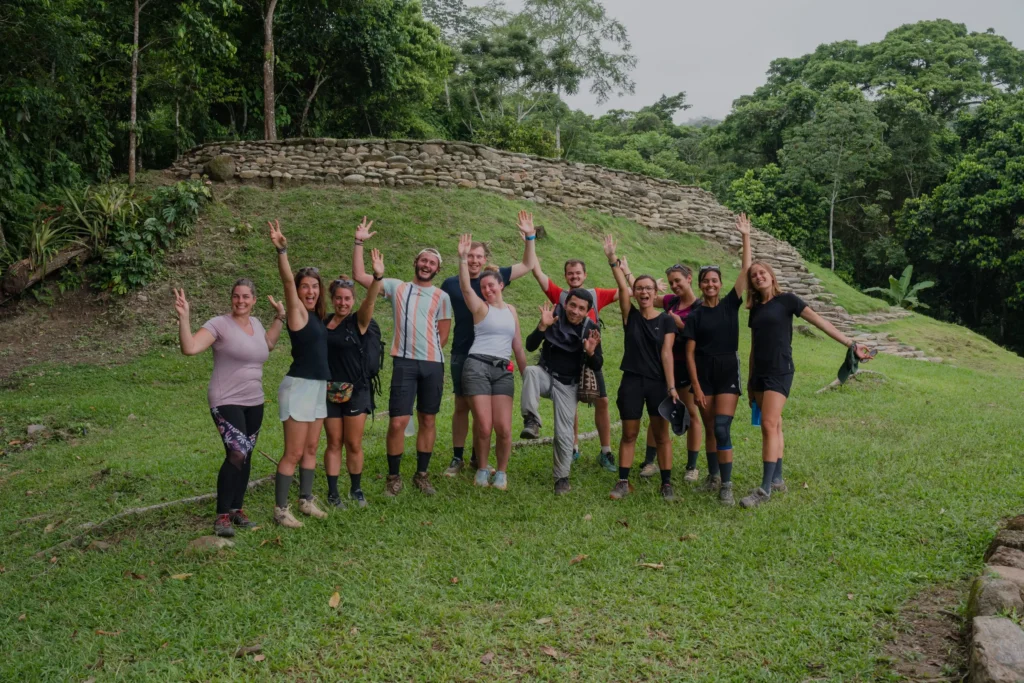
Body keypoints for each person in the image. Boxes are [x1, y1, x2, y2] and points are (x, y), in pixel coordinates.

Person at [741, 260, 871, 508]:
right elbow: (754, 347)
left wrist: (850, 343)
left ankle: (764, 489)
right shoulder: (755, 309)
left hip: (780, 371)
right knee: (775, 424)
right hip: (759, 374)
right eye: (754, 275)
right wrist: (749, 381)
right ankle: (777, 480)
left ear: (771, 275)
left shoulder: (788, 300)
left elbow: (819, 321)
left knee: (768, 425)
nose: (758, 277)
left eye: (762, 273)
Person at [174, 282, 285, 537]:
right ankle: (222, 515)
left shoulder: (256, 324)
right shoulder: (219, 324)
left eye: (246, 296)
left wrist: (280, 317)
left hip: (254, 400)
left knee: (246, 454)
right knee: (237, 452)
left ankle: (237, 509)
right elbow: (189, 348)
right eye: (236, 296)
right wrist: (184, 317)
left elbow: (267, 344)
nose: (240, 301)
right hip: (225, 399)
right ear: (231, 299)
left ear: (254, 300)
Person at [352, 218, 452, 497]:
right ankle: (393, 477)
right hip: (404, 363)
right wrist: (359, 242)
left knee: (428, 420)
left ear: (438, 269)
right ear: (415, 263)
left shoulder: (442, 297)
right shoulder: (396, 287)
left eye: (432, 263)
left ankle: (422, 474)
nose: (426, 265)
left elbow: (443, 335)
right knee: (397, 421)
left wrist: (427, 351)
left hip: (433, 364)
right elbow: (360, 275)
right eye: (423, 260)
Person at [441, 210, 536, 477]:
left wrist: (530, 236)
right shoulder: (451, 284)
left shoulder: (494, 278)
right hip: (464, 353)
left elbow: (528, 265)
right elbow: (437, 312)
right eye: (469, 256)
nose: (474, 260)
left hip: (496, 358)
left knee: (485, 416)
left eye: (478, 256)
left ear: (485, 260)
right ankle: (457, 457)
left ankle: (476, 458)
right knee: (462, 406)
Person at [681, 214, 752, 506]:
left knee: (722, 427)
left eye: (714, 280)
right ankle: (712, 478)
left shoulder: (730, 304)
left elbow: (747, 270)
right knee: (710, 427)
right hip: (704, 374)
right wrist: (695, 387)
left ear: (720, 284)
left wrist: (745, 236)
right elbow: (688, 353)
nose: (710, 284)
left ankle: (727, 484)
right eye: (705, 281)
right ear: (699, 285)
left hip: (727, 371)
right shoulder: (696, 315)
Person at [603, 236, 679, 501]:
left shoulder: (667, 321)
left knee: (661, 435)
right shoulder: (630, 316)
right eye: (639, 289)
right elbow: (622, 288)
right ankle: (623, 481)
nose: (644, 292)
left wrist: (671, 387)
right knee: (629, 433)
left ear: (655, 293)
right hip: (632, 381)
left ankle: (667, 483)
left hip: (659, 383)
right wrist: (613, 260)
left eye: (648, 289)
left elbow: (667, 354)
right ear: (635, 293)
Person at [526, 253, 618, 472]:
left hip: (589, 356)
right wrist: (530, 239)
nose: (574, 276)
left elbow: (626, 292)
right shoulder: (560, 296)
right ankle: (573, 446)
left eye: (578, 273)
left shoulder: (596, 296)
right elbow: (538, 273)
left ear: (585, 274)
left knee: (602, 401)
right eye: (570, 273)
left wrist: (619, 265)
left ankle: (606, 451)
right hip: (562, 364)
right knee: (569, 403)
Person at [268, 219, 331, 527]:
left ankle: (305, 501)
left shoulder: (318, 319)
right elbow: (287, 284)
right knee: (293, 452)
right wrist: (283, 251)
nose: (310, 290)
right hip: (298, 388)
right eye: (305, 286)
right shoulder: (298, 312)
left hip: (319, 387)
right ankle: (281, 510)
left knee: (310, 448)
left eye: (315, 286)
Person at [455, 233, 528, 489]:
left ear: (501, 286)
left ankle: (502, 472)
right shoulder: (479, 308)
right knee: (484, 426)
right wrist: (463, 259)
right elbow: (466, 288)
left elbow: (517, 345)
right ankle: (483, 468)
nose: (487, 289)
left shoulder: (511, 311)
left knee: (504, 429)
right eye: (484, 287)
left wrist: (526, 375)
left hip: (503, 370)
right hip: (477, 366)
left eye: (491, 285)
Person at [321, 245, 385, 510]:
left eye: (348, 299)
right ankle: (333, 493)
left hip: (357, 390)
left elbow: (369, 302)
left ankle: (356, 490)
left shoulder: (359, 321)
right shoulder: (323, 322)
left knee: (353, 443)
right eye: (339, 298)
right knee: (334, 442)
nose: (343, 303)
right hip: (329, 391)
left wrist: (377, 279)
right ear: (332, 298)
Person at [522, 294, 602, 494]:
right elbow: (530, 345)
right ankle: (531, 420)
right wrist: (542, 326)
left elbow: (598, 364)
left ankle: (562, 478)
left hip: (569, 385)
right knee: (530, 371)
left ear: (587, 311)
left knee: (564, 432)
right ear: (566, 304)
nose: (575, 311)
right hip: (546, 375)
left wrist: (591, 352)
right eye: (572, 305)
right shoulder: (553, 317)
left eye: (581, 308)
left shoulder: (590, 328)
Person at [637, 263, 703, 483]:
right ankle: (649, 461)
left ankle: (692, 466)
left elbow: (704, 340)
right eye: (672, 282)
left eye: (678, 281)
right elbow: (642, 294)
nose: (674, 286)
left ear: (689, 278)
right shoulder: (670, 301)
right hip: (661, 366)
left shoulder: (700, 307)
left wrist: (680, 325)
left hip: (685, 366)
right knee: (658, 413)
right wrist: (651, 283)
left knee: (691, 413)